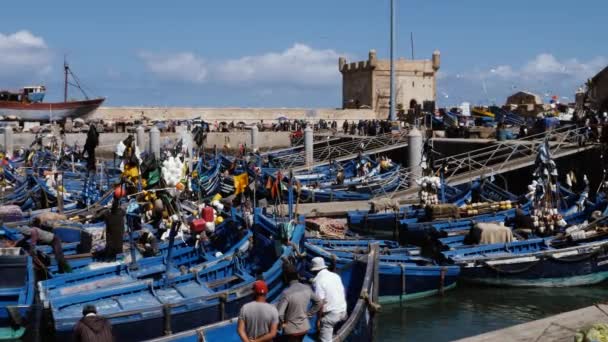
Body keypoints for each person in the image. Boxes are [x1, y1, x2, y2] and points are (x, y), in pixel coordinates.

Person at [276, 264, 322, 342]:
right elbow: (319, 302)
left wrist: (281, 325)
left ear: (286, 278)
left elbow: (280, 314)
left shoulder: (286, 293)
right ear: (297, 275)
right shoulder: (307, 288)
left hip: (292, 330)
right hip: (305, 327)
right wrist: (309, 314)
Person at [310, 257, 347, 342]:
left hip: (333, 316)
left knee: (325, 325)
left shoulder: (318, 281)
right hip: (343, 311)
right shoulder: (336, 276)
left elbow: (320, 303)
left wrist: (318, 320)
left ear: (314, 270)